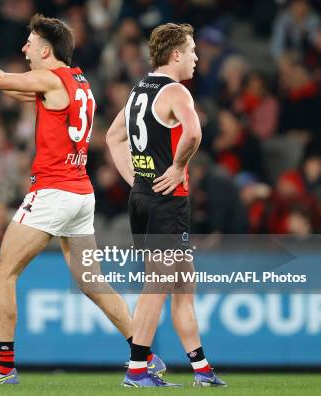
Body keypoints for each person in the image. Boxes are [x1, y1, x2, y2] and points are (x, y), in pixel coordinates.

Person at [0, 15, 164, 385]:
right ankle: (144, 355)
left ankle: (4, 366)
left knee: (2, 274)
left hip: (53, 192)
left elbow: (1, 82)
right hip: (80, 194)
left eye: (30, 43)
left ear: (46, 49)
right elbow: (12, 88)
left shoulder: (49, 79)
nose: (25, 48)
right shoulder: (78, 82)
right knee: (93, 282)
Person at [106, 23, 227, 387]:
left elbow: (114, 136)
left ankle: (201, 369)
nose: (195, 57)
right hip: (167, 203)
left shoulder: (139, 89)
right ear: (175, 54)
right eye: (191, 50)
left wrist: (135, 179)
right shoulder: (176, 92)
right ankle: (137, 369)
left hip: (143, 199)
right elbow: (194, 132)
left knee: (182, 282)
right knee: (157, 285)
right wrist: (176, 167)